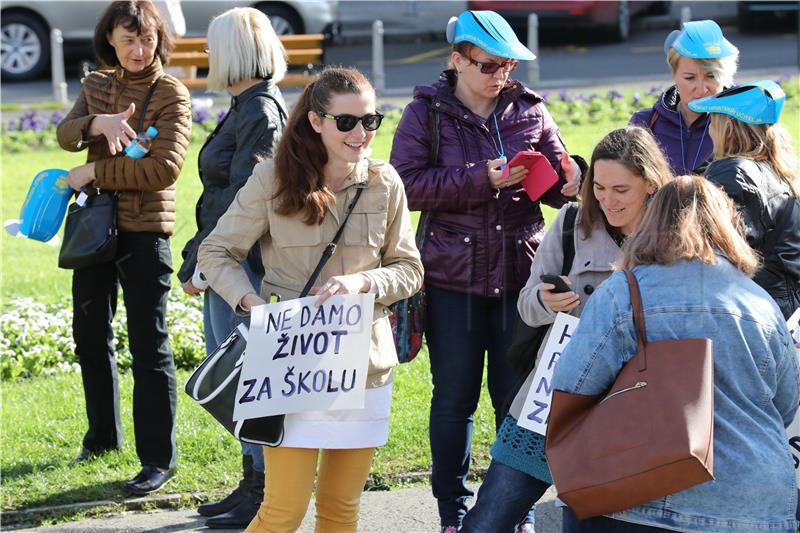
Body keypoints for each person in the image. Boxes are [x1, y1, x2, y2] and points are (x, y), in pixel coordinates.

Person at [197, 67, 423, 533]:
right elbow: (216, 251)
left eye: (371, 120)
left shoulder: (386, 183)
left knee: (341, 509)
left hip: (364, 369)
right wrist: (249, 303)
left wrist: (363, 284)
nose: (361, 133)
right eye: (347, 122)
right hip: (287, 367)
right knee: (283, 510)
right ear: (316, 121)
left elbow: (410, 269)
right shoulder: (271, 179)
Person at [390, 10, 582, 533]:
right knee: (454, 400)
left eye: (509, 64)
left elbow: (556, 176)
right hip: (453, 278)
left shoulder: (529, 109)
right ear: (457, 60)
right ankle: (454, 511)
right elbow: (404, 185)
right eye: (489, 64)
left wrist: (570, 179)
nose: (501, 75)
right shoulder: (424, 113)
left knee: (513, 399)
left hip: (519, 274)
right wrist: (482, 179)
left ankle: (506, 511)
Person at [552, 174, 800, 532]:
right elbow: (785, 404)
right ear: (728, 225)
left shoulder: (624, 292)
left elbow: (571, 383)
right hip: (755, 504)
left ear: (650, 224)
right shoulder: (761, 303)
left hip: (640, 495)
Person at [460, 127, 672, 533]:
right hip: (552, 395)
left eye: (621, 190)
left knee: (588, 521)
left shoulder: (675, 238)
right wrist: (545, 302)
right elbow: (526, 304)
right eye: (599, 187)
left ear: (650, 184)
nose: (607, 200)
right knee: (488, 518)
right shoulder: (573, 222)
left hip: (630, 405)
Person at [55, 0, 191, 494]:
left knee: (149, 344)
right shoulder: (96, 84)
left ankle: (158, 459)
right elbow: (65, 133)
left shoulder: (171, 93)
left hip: (144, 231)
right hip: (95, 228)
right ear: (110, 38)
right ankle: (101, 439)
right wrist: (98, 125)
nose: (139, 49)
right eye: (128, 38)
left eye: (147, 38)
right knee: (90, 334)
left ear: (160, 39)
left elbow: (163, 169)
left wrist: (93, 171)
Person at [175, 7, 288, 529]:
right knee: (240, 382)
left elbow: (244, 201)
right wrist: (199, 257)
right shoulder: (246, 105)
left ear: (236, 52)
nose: (206, 54)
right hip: (229, 264)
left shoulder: (260, 110)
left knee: (249, 380)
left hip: (245, 269)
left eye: (213, 45)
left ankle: (263, 491)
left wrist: (203, 263)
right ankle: (251, 483)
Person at [689, 79, 800, 320]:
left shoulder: (732, 172)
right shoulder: (784, 170)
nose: (709, 131)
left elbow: (718, 253)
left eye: (712, 123)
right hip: (787, 311)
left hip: (754, 312)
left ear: (728, 127)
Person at [629, 19, 738, 175]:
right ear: (673, 73)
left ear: (726, 75)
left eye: (711, 76)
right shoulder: (645, 124)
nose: (701, 89)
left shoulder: (741, 124)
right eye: (689, 78)